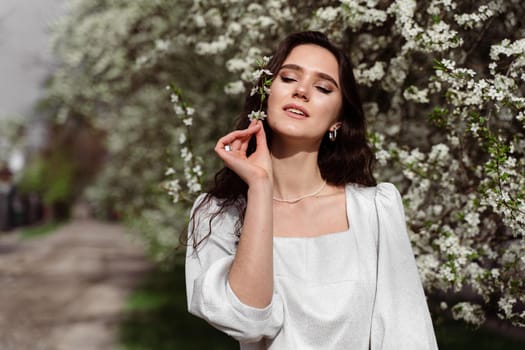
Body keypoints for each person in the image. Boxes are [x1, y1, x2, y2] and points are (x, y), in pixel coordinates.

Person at [185, 31, 438, 350]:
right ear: (266, 95)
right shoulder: (218, 214)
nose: (302, 91)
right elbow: (247, 322)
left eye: (322, 87)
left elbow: (407, 333)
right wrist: (261, 187)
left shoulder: (374, 209)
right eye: (289, 78)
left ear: (338, 120)